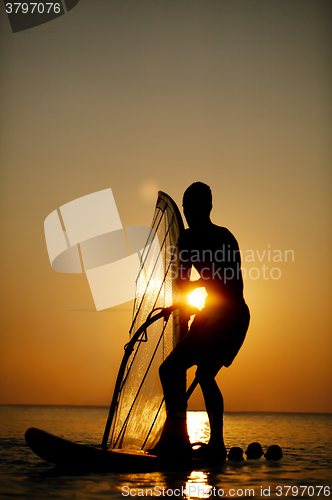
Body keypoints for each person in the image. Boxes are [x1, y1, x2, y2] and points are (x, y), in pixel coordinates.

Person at [151, 182, 250, 460]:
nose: (187, 211)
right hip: (235, 316)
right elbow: (195, 282)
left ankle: (178, 438)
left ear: (207, 207)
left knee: (170, 370)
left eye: (191, 206)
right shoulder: (221, 236)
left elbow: (225, 282)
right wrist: (187, 303)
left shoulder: (207, 238)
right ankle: (216, 445)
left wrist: (195, 306)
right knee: (205, 376)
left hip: (226, 316)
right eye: (185, 206)